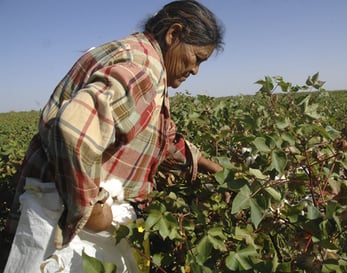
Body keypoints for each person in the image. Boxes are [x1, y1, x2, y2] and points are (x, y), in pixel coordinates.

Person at [4, 1, 224, 272]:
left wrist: (213, 169)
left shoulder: (137, 55)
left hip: (56, 204)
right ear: (173, 35)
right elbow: (74, 131)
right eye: (197, 58)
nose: (195, 70)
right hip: (69, 217)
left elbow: (158, 133)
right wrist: (93, 210)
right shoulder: (144, 69)